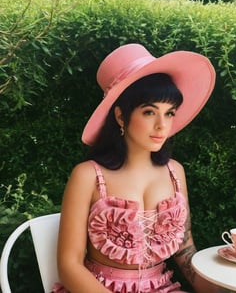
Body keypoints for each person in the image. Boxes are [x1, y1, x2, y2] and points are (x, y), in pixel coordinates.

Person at [53, 43, 223, 293]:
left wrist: (223, 290)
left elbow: (185, 250)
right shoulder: (88, 175)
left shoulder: (175, 172)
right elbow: (69, 266)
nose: (161, 126)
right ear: (121, 116)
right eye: (149, 112)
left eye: (169, 113)